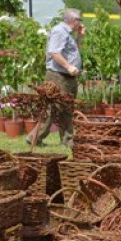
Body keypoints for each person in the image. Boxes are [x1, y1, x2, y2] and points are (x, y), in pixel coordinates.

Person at [29, 8, 83, 146]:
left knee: (67, 108)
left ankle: (67, 140)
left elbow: (72, 51)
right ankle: (34, 138)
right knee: (53, 108)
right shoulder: (59, 31)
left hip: (67, 76)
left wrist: (80, 36)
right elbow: (54, 52)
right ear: (73, 20)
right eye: (80, 20)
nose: (81, 23)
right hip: (58, 76)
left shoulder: (68, 33)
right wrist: (69, 67)